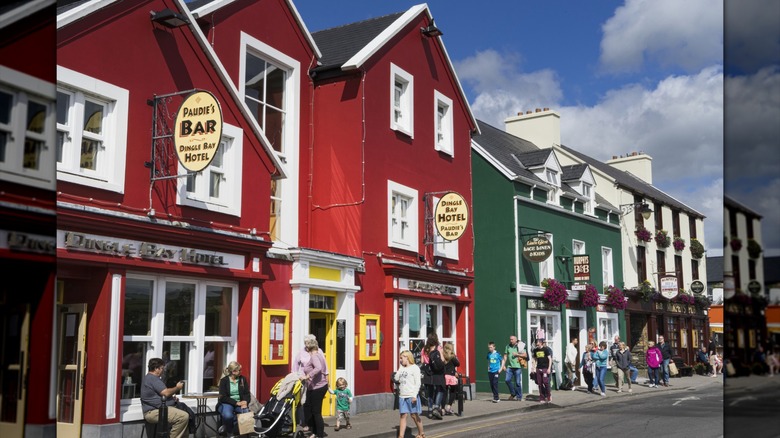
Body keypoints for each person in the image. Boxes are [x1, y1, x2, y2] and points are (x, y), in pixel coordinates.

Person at [140, 357, 190, 438]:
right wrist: (177, 387)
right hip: (153, 411)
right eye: (162, 368)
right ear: (156, 369)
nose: (163, 371)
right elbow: (166, 393)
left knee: (186, 414)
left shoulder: (150, 378)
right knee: (183, 417)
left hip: (159, 409)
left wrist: (171, 399)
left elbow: (161, 395)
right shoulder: (152, 379)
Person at [299, 334, 328, 438]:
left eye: (307, 347)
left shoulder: (315, 356)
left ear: (309, 348)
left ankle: (319, 434)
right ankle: (315, 432)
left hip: (318, 387)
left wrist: (307, 376)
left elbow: (318, 368)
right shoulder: (319, 355)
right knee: (311, 409)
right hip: (316, 386)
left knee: (316, 412)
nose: (305, 348)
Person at [394, 350, 425, 438]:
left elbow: (417, 383)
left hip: (411, 395)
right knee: (403, 415)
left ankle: (421, 433)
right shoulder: (402, 368)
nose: (400, 359)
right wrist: (400, 369)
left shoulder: (415, 368)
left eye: (401, 357)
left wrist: (414, 395)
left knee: (414, 415)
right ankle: (401, 436)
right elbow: (396, 378)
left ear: (407, 357)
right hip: (402, 396)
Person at [217, 361, 250, 436]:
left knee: (246, 412)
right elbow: (223, 397)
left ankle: (244, 434)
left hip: (240, 403)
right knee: (228, 416)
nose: (241, 371)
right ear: (234, 371)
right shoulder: (224, 381)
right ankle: (230, 432)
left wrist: (245, 402)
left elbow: (247, 393)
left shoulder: (242, 379)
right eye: (239, 370)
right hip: (227, 403)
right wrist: (236, 403)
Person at [421, 337, 446, 419]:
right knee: (440, 389)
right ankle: (436, 407)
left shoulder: (424, 349)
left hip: (427, 372)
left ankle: (430, 410)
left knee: (430, 392)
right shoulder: (438, 348)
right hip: (436, 372)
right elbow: (442, 360)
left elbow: (422, 361)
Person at [500, 335, 527, 401]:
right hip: (510, 367)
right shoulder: (508, 346)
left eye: (512, 339)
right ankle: (513, 393)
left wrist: (517, 354)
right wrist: (503, 365)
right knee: (507, 380)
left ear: (515, 340)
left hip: (517, 367)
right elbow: (505, 356)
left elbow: (525, 355)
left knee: (518, 382)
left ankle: (519, 397)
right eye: (510, 339)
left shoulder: (519, 346)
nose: (511, 340)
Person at [532, 338, 553, 404]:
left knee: (545, 382)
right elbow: (534, 359)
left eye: (538, 344)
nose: (537, 345)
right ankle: (542, 397)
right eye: (536, 344)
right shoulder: (535, 350)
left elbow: (550, 359)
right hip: (538, 368)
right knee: (540, 384)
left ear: (541, 343)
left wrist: (549, 368)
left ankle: (549, 396)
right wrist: (533, 367)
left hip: (545, 368)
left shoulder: (546, 350)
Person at [441, 343, 460, 415]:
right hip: (451, 376)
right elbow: (458, 364)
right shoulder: (452, 357)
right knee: (453, 391)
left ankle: (442, 409)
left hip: (444, 376)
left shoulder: (443, 356)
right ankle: (449, 406)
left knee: (444, 393)